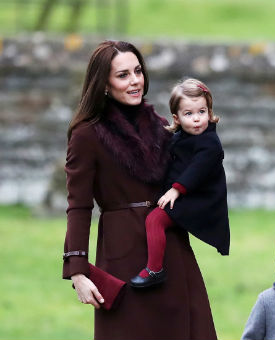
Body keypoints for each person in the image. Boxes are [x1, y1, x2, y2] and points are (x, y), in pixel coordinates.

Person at [62, 40, 217, 339]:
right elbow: (78, 205)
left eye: (137, 71)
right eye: (122, 75)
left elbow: (199, 170)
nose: (134, 80)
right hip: (122, 255)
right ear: (104, 83)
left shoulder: (163, 126)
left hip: (170, 248)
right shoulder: (87, 134)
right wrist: (78, 270)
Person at [129, 78, 230, 288]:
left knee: (155, 220)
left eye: (202, 112)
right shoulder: (179, 137)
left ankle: (155, 270)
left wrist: (175, 190)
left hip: (200, 200)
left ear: (209, 112)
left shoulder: (210, 143)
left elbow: (197, 169)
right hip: (185, 196)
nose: (196, 119)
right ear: (176, 117)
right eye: (189, 114)